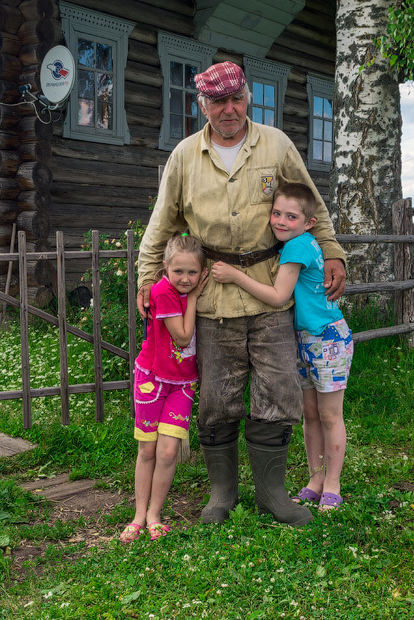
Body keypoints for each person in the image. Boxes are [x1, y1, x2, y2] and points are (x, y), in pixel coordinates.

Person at [136, 61, 347, 527]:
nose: (229, 109)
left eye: (236, 98)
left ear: (247, 96)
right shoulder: (185, 157)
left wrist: (331, 251)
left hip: (272, 291)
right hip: (212, 298)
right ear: (203, 105)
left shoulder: (276, 145)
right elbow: (161, 224)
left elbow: (313, 203)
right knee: (216, 397)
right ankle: (222, 495)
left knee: (278, 391)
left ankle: (273, 495)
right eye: (218, 101)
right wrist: (147, 278)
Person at [210, 182, 353, 513]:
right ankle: (316, 480)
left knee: (330, 415)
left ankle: (333, 484)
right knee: (311, 415)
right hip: (305, 339)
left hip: (326, 339)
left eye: (291, 216)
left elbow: (278, 296)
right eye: (276, 213)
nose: (280, 221)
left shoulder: (297, 247)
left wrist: (234, 275)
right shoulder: (298, 242)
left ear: (309, 223)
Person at [121, 234, 209, 542]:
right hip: (152, 380)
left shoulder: (190, 289)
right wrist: (195, 297)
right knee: (147, 449)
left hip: (183, 383)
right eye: (178, 272)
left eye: (192, 273)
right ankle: (138, 515)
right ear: (164, 268)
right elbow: (183, 338)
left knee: (169, 450)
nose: (185, 279)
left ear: (202, 271)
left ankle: (155, 514)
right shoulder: (164, 293)